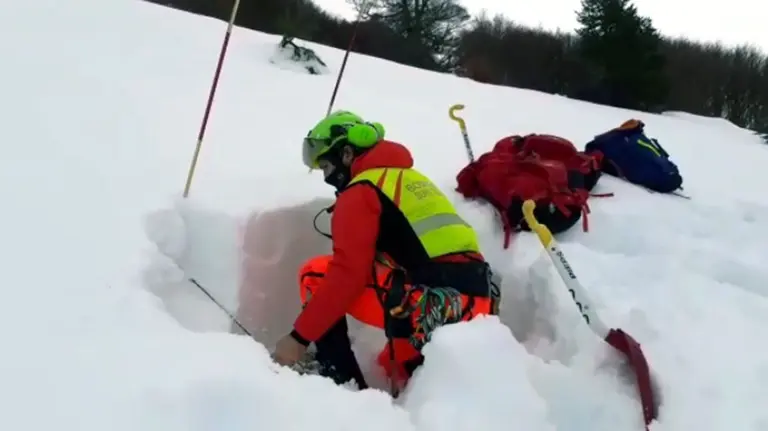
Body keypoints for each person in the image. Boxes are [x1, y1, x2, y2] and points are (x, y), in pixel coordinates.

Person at [271, 110, 500, 393]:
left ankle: (340, 385)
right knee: (389, 367)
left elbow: (347, 275)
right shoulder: (410, 180)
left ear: (345, 154)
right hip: (474, 305)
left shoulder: (361, 191)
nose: (327, 178)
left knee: (316, 274)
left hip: (431, 307)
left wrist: (298, 338)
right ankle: (413, 380)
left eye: (327, 168)